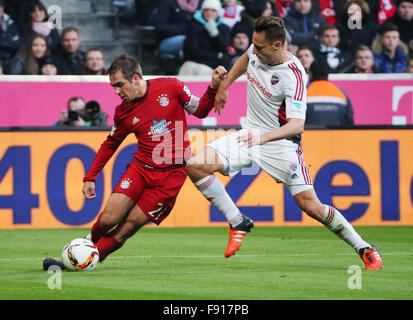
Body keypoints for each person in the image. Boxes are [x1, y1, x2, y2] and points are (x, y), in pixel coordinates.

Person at [185, 16, 382, 270]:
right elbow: (245, 60)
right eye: (253, 45)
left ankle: (364, 247)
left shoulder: (294, 76)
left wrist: (263, 137)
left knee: (311, 206)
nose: (254, 51)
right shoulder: (258, 49)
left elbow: (296, 125)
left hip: (280, 144)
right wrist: (224, 85)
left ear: (278, 45)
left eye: (259, 47)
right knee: (196, 165)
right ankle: (238, 221)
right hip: (249, 135)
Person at [43, 55, 227, 270]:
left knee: (128, 226)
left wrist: (214, 87)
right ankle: (84, 249)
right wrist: (90, 176)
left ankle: (87, 259)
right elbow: (110, 144)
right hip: (141, 169)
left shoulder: (171, 87)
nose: (116, 91)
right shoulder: (123, 112)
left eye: (119, 84)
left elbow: (201, 109)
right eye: (113, 86)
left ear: (136, 79)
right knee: (108, 219)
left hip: (171, 175)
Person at [179, 0, 231, 75]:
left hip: (214, 65)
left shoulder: (224, 28)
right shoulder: (194, 26)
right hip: (195, 62)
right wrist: (217, 55)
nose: (209, 12)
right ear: (202, 11)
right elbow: (193, 51)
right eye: (206, 10)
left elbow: (224, 48)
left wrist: (215, 34)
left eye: (213, 10)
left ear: (218, 13)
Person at [306, 59, 354, 126]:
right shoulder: (341, 93)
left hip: (309, 135)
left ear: (311, 74)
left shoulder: (304, 92)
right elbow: (349, 121)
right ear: (328, 74)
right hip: (336, 136)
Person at [0, 0, 23, 70]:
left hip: (9, 59)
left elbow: (19, 43)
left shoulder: (10, 22)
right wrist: (10, 39)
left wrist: (3, 41)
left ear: (2, 8)